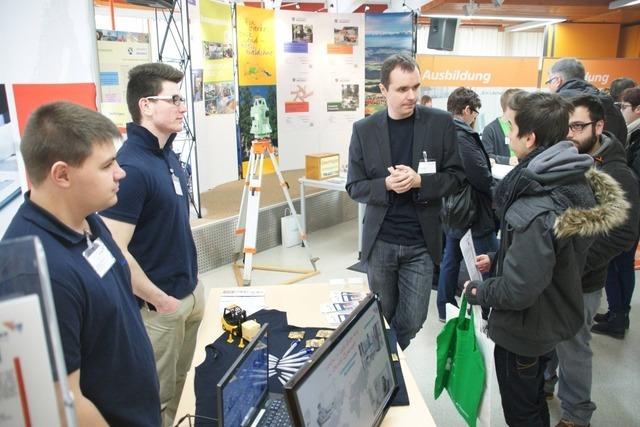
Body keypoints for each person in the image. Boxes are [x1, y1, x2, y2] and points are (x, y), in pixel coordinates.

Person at [463, 92, 626, 426]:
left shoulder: (534, 203)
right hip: (550, 315)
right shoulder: (570, 180)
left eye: (511, 128)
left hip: (525, 330)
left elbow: (521, 288)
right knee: (533, 397)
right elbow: (548, 253)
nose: (508, 135)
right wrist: (498, 259)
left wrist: (480, 292)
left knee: (523, 412)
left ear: (530, 137)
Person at [2, 102, 160, 426]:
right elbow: (66, 404)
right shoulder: (36, 273)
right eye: (107, 166)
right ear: (62, 174)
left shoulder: (86, 218)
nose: (121, 173)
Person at [100, 62, 204, 427]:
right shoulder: (130, 167)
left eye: (182, 98)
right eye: (173, 99)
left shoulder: (168, 155)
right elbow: (114, 251)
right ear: (146, 105)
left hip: (187, 293)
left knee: (181, 387)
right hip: (159, 307)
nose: (182, 106)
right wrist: (160, 300)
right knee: (155, 399)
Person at [346, 54, 464, 349]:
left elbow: (456, 177)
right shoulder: (364, 130)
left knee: (413, 319)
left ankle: (387, 357)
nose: (412, 96)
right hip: (381, 241)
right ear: (383, 91)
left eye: (415, 87)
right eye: (402, 89)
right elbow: (354, 186)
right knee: (380, 314)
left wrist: (420, 181)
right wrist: (385, 185)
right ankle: (389, 367)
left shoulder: (440, 123)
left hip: (421, 242)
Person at [544, 94, 638, 427]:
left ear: (599, 126)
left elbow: (623, 235)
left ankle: (576, 413)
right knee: (554, 337)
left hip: (582, 279)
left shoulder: (616, 173)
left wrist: (579, 265)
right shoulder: (573, 159)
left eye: (578, 126)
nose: (570, 133)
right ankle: (547, 383)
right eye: (565, 126)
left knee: (574, 345)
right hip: (557, 273)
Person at [436, 87, 497, 322]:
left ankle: (444, 307)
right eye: (475, 112)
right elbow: (480, 176)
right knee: (486, 261)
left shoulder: (444, 133)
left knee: (450, 259)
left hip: (455, 208)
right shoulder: (462, 136)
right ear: (467, 110)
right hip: (472, 211)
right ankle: (487, 311)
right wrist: (496, 196)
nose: (475, 117)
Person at [593, 86, 640, 338]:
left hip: (627, 209)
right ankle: (617, 312)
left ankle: (618, 315)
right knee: (620, 266)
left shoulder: (630, 139)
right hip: (627, 207)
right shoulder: (628, 133)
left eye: (624, 106)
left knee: (618, 265)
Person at [546, 57, 627, 146]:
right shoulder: (612, 107)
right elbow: (621, 142)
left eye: (549, 81)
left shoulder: (554, 106)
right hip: (605, 158)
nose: (548, 86)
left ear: (557, 80)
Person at [481, 88, 524, 166]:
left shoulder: (524, 127)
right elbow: (486, 155)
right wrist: (507, 160)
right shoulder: (490, 129)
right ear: (510, 107)